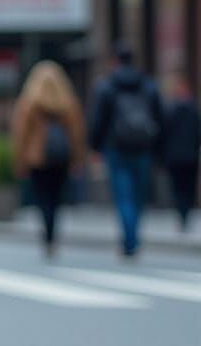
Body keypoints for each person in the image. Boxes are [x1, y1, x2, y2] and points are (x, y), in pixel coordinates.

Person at [88, 42, 163, 257]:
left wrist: (94, 145)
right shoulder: (148, 85)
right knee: (138, 195)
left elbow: (98, 120)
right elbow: (159, 118)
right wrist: (158, 146)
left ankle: (129, 241)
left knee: (124, 196)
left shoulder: (107, 86)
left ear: (115, 61)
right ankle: (134, 236)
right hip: (143, 147)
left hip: (116, 148)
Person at [11, 61, 86, 256]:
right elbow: (77, 134)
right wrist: (78, 158)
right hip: (61, 157)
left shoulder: (29, 104)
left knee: (43, 198)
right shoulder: (69, 103)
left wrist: (20, 159)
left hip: (37, 159)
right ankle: (53, 233)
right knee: (56, 198)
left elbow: (21, 135)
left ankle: (47, 235)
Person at [162, 73, 200, 231]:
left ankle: (183, 213)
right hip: (188, 155)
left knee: (181, 187)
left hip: (178, 156)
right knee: (185, 187)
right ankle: (184, 213)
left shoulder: (171, 110)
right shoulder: (193, 110)